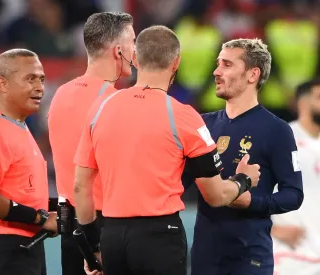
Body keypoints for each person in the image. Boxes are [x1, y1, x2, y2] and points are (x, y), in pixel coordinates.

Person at [73, 25, 261, 275]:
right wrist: (244, 179)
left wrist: (94, 246)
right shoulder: (184, 117)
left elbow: (80, 186)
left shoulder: (99, 109)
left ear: (136, 59)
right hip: (159, 237)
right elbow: (215, 196)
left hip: (113, 236)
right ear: (176, 63)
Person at [183, 38, 304, 275]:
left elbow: (294, 194)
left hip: (249, 259)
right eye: (218, 64)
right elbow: (178, 183)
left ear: (252, 75)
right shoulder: (202, 124)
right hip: (204, 258)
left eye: (227, 65)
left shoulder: (277, 129)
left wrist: (253, 202)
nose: (216, 72)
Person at [47, 11, 135, 275]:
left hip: (71, 225)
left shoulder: (60, 95)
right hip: (104, 226)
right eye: (132, 42)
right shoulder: (115, 102)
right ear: (118, 50)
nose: (136, 50)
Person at [0, 49, 57, 275]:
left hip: (27, 248)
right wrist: (40, 218)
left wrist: (56, 209)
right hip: (2, 252)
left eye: (42, 79)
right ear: (3, 84)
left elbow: (21, 192)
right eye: (30, 79)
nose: (39, 87)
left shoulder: (21, 128)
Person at [271, 79, 320, 275]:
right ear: (303, 104)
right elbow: (253, 185)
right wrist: (272, 229)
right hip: (286, 254)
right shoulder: (282, 138)